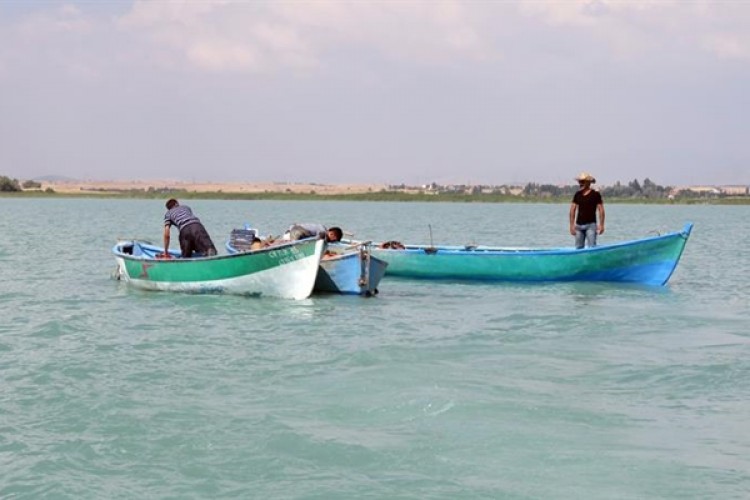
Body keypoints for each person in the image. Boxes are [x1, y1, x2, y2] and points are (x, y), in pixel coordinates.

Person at [569, 172, 605, 249]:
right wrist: (571, 226)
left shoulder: (595, 194)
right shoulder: (577, 194)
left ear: (588, 183)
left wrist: (601, 225)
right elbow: (572, 210)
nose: (580, 184)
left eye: (582, 182)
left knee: (592, 247)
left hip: (591, 226)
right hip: (579, 226)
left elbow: (601, 210)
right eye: (579, 182)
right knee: (578, 248)